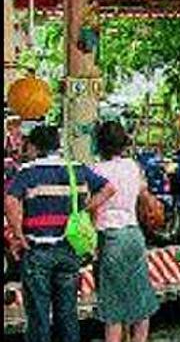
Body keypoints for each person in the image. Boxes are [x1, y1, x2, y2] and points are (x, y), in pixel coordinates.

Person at [4, 125, 116, 342]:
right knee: (67, 314)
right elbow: (109, 188)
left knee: (39, 317)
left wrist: (18, 234)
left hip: (38, 251)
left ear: (34, 146)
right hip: (69, 250)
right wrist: (86, 207)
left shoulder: (28, 172)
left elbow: (10, 200)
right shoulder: (76, 169)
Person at [91, 121, 160, 342]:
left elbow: (92, 208)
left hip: (110, 236)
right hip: (133, 234)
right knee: (140, 298)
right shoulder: (132, 166)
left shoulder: (97, 170)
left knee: (113, 305)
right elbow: (144, 195)